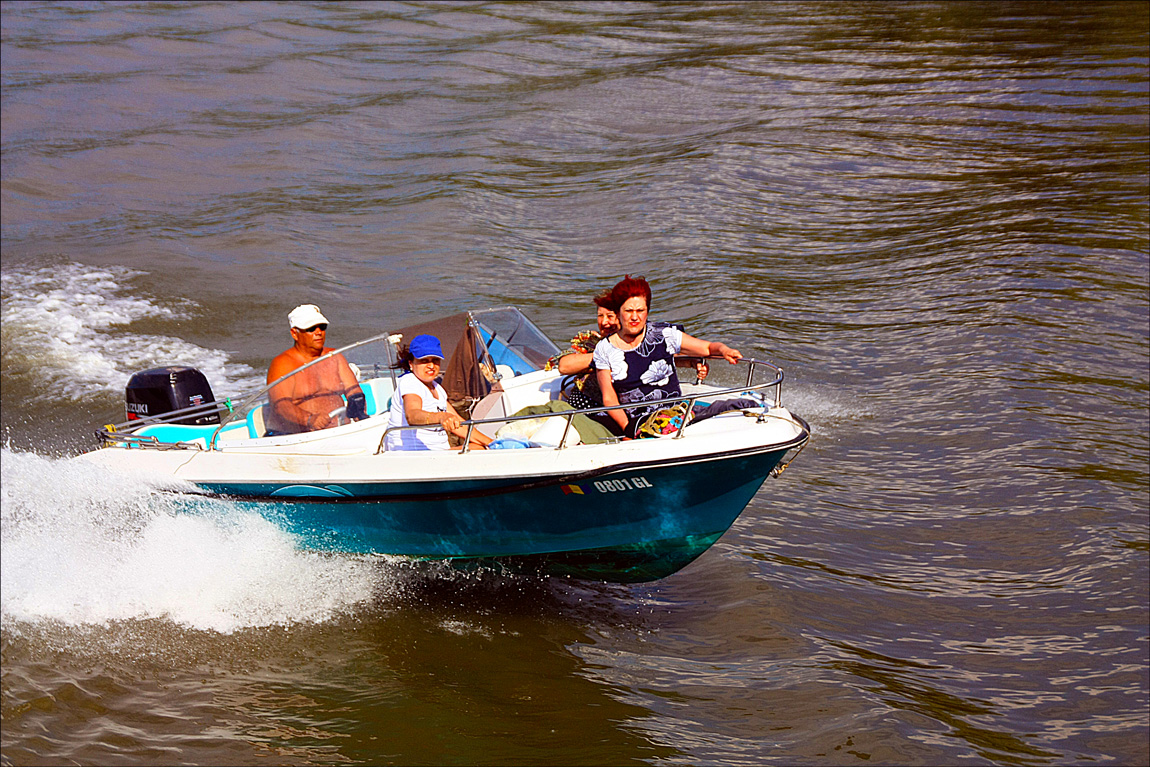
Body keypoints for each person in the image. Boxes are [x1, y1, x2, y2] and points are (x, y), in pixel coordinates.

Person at [593, 276, 743, 438]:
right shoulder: (604, 348)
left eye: (640, 311)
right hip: (638, 422)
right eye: (629, 311)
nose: (635, 317)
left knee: (741, 406)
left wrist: (724, 350)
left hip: (677, 415)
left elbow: (707, 347)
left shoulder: (664, 334)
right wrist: (628, 428)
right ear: (618, 313)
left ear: (647, 311)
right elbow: (609, 397)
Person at [546, 289, 709, 412]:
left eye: (610, 316)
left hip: (622, 409)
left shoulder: (640, 338)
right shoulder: (590, 342)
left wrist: (689, 362)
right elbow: (564, 366)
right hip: (588, 409)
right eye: (600, 316)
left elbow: (645, 360)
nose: (604, 322)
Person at [266, 304, 366, 434]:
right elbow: (281, 405)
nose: (319, 332)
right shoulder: (282, 364)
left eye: (322, 327)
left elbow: (354, 391)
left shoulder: (335, 356)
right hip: (299, 437)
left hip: (341, 430)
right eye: (311, 329)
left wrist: (359, 410)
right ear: (294, 334)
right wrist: (309, 419)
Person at [386, 334, 492, 452]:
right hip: (413, 454)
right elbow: (412, 415)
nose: (431, 366)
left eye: (435, 360)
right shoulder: (410, 382)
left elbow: (459, 423)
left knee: (480, 447)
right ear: (411, 363)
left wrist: (492, 443)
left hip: (438, 452)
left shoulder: (437, 388)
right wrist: (441, 417)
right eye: (424, 361)